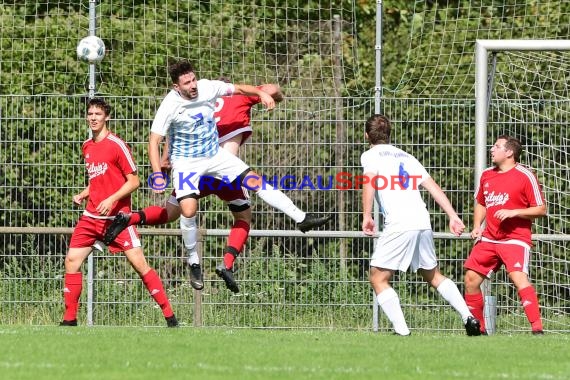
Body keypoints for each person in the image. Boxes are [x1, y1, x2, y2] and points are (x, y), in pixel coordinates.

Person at [104, 60, 330, 292]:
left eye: (193, 79)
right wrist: (157, 174)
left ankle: (301, 218)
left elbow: (241, 88)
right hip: (186, 164)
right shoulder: (170, 105)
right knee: (188, 211)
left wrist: (261, 93)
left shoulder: (207, 87)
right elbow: (154, 141)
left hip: (215, 156)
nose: (193, 85)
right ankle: (194, 261)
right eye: (186, 83)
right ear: (176, 86)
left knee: (255, 181)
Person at [60, 98, 178, 328]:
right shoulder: (87, 145)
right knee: (71, 261)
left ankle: (170, 317)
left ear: (107, 117)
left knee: (140, 265)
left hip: (119, 219)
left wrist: (112, 199)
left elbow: (134, 181)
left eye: (98, 114)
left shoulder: (116, 145)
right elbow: (98, 180)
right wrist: (84, 194)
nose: (93, 118)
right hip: (92, 217)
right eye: (90, 113)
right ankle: (69, 320)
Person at [361, 114, 481, 336]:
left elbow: (369, 182)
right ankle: (468, 316)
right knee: (433, 275)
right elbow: (433, 187)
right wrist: (453, 216)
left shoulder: (370, 155)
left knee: (378, 278)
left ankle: (402, 331)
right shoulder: (407, 156)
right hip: (421, 220)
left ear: (366, 135)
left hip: (399, 222)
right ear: (389, 135)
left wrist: (367, 215)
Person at [464, 135, 547, 335]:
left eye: (497, 146)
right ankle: (479, 331)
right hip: (489, 238)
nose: (492, 149)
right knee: (470, 279)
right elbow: (482, 203)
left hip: (515, 239)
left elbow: (541, 209)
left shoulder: (525, 176)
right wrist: (477, 225)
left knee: (518, 278)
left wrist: (514, 212)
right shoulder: (487, 175)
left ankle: (537, 330)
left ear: (509, 152)